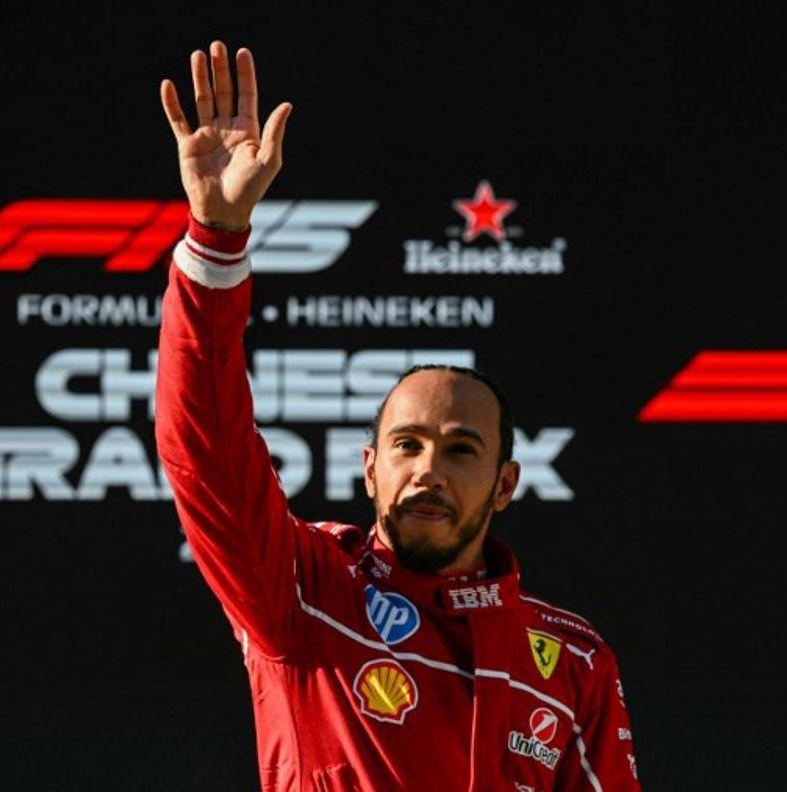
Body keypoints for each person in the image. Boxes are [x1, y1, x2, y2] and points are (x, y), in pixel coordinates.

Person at [155, 40, 640, 792]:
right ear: (371, 468)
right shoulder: (306, 592)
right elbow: (208, 453)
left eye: (460, 450)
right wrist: (216, 242)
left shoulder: (571, 657)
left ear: (505, 483)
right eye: (407, 446)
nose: (427, 471)